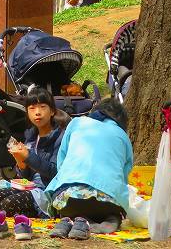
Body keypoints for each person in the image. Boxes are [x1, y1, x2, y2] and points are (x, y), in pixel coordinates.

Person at [46, 99, 133, 240]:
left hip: (69, 200)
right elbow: (124, 173)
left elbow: (61, 162)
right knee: (111, 207)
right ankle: (110, 219)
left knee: (71, 207)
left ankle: (74, 219)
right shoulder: (122, 135)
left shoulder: (76, 123)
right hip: (108, 202)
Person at [0, 87, 65, 234]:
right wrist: (20, 161)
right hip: (31, 188)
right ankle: (24, 212)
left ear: (53, 111)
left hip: (48, 192)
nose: (37, 112)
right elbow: (25, 177)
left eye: (43, 107)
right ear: (27, 113)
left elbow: (54, 172)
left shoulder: (59, 137)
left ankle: (38, 213)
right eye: (32, 108)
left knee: (8, 204)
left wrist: (28, 156)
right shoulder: (30, 135)